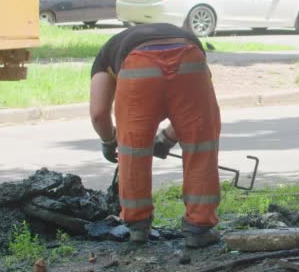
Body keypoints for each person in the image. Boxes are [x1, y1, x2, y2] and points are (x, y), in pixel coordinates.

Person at [89, 23, 221, 248]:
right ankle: (198, 228)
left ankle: (138, 227)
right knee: (200, 145)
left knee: (133, 150)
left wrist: (110, 141)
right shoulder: (185, 38)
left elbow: (99, 114)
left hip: (137, 65)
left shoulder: (105, 56)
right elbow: (192, 115)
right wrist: (167, 138)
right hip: (190, 57)